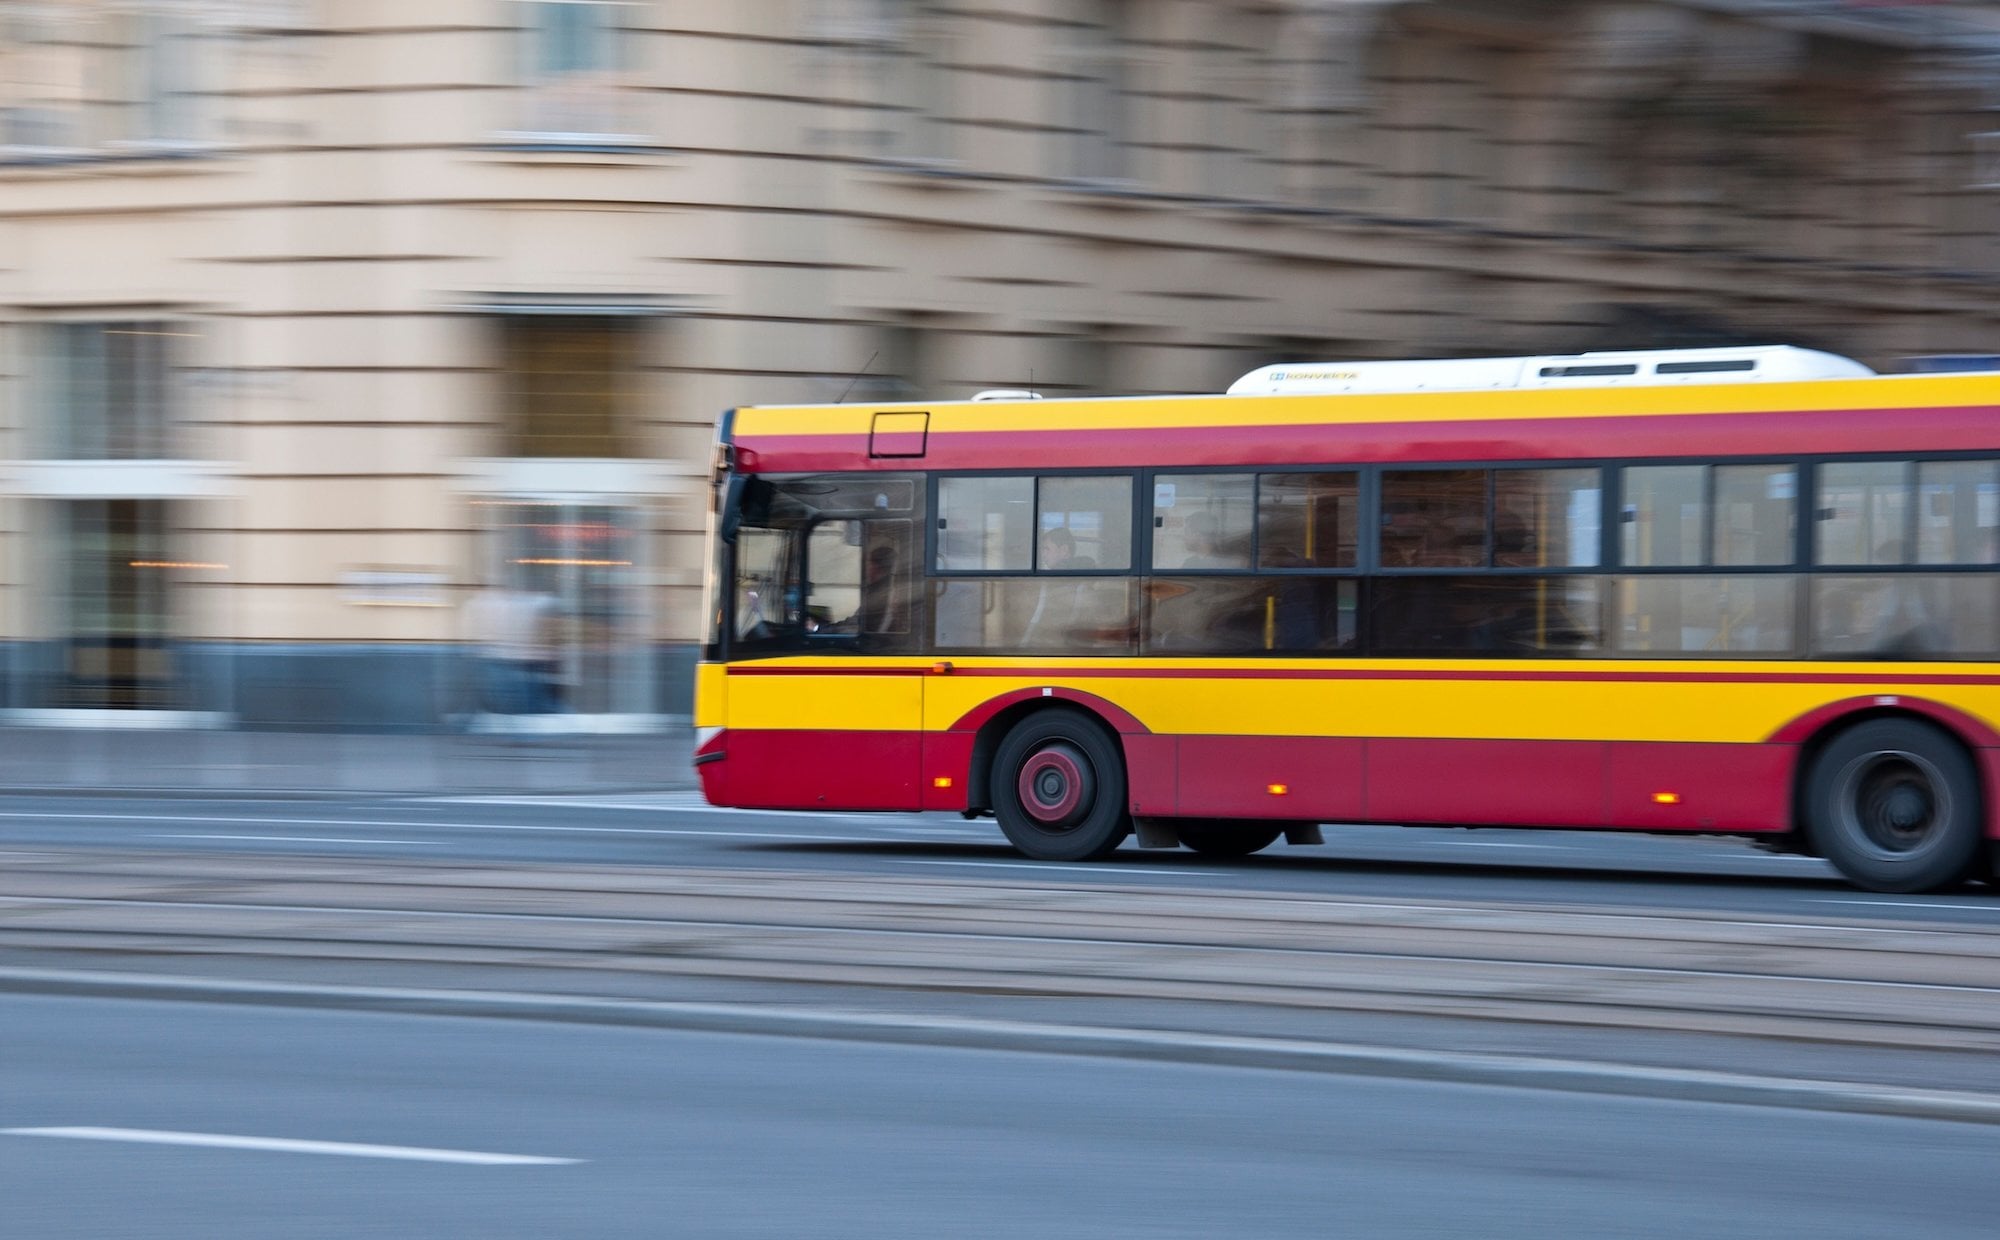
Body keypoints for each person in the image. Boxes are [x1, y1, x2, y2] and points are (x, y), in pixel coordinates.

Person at [464, 582, 563, 714]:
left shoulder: (478, 603)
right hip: (517, 662)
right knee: (531, 704)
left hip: (501, 660)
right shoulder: (539, 602)